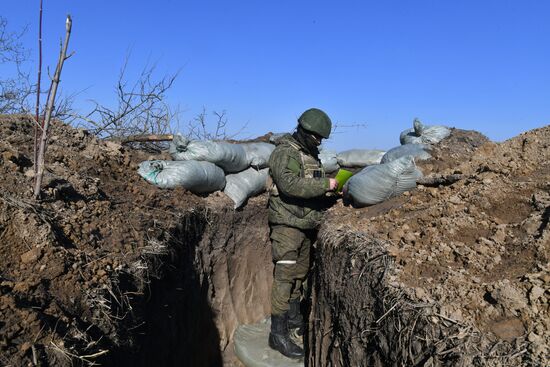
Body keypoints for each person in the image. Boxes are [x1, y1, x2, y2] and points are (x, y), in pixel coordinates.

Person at [267, 108, 338, 359]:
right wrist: (323, 184)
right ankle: (277, 334)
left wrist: (330, 191)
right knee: (285, 278)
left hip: (306, 224)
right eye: (317, 137)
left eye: (321, 139)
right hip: (287, 225)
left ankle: (295, 321)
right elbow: (289, 185)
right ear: (305, 131)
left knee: (299, 275)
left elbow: (308, 184)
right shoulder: (285, 152)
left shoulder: (310, 155)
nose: (319, 142)